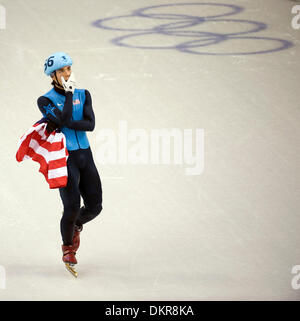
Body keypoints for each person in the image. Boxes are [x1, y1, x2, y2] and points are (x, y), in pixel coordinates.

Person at [37, 52, 103, 273]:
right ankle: (68, 248)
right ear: (53, 75)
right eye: (63, 70)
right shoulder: (45, 100)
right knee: (72, 206)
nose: (68, 73)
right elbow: (62, 119)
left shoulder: (84, 94)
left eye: (69, 69)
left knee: (95, 207)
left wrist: (69, 119)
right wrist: (67, 96)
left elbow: (90, 124)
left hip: (85, 155)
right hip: (65, 158)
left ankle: (76, 226)